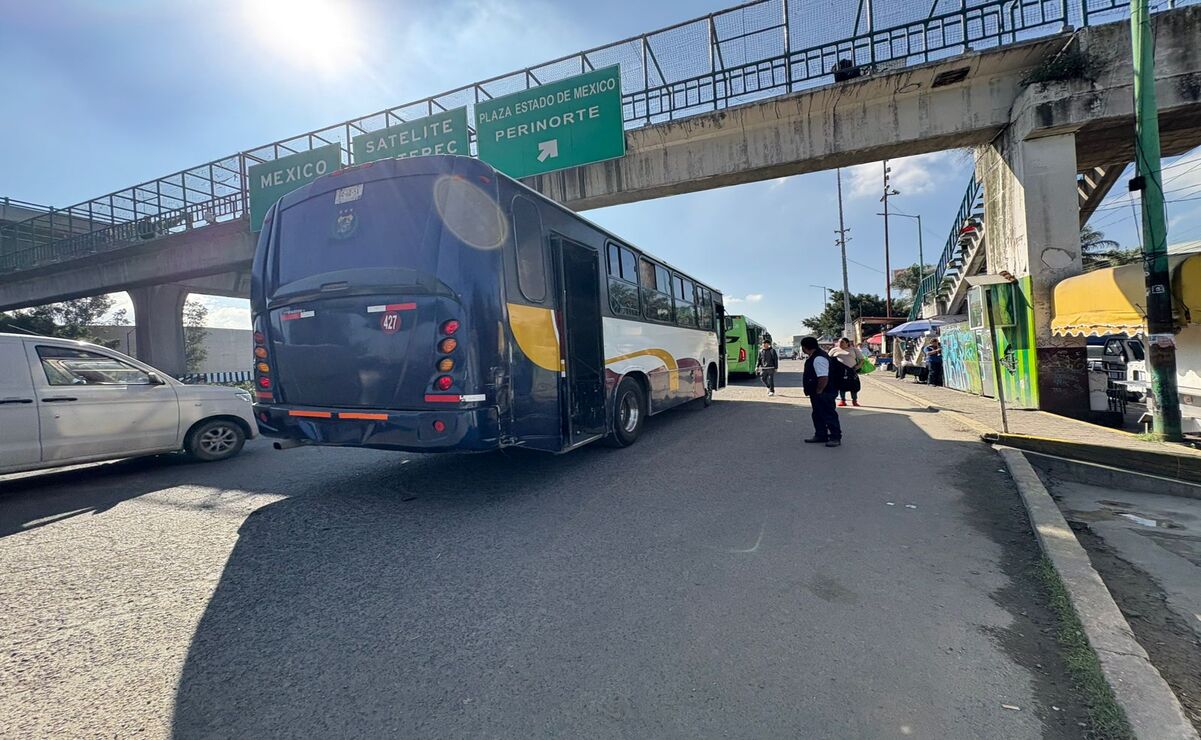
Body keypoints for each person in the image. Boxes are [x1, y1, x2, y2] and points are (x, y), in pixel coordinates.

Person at [800, 336, 843, 447]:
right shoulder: (815, 356)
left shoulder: (818, 358)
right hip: (819, 392)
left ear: (805, 347)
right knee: (818, 414)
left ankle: (835, 437)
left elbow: (823, 377)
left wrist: (819, 391)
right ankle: (821, 435)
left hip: (824, 392)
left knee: (828, 414)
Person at [830, 337, 862, 407]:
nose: (840, 344)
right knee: (841, 386)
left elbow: (861, 359)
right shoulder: (834, 350)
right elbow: (828, 358)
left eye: (842, 342)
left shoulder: (854, 349)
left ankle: (854, 400)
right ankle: (843, 400)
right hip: (839, 371)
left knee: (854, 386)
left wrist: (858, 367)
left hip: (852, 370)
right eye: (839, 342)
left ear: (847, 343)